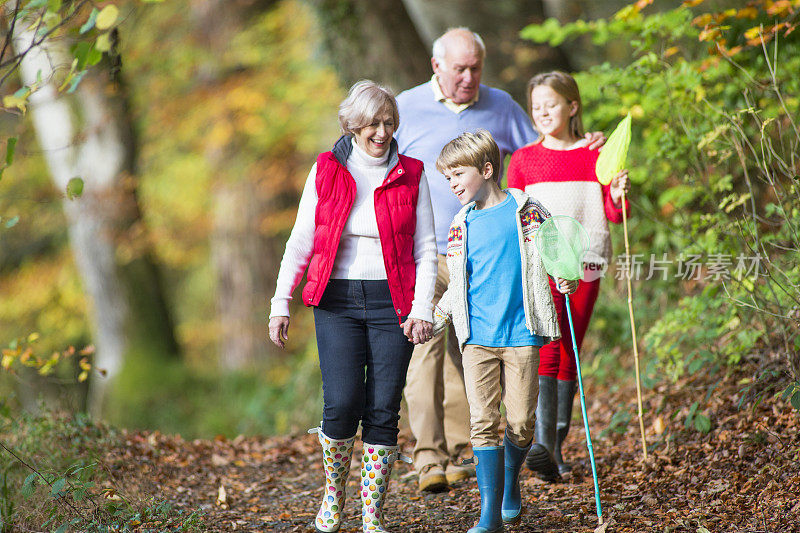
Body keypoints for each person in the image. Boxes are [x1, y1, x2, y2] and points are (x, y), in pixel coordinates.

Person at [394, 27, 606, 492]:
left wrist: (588, 142)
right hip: (429, 250)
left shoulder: (500, 105)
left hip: (491, 254)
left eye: (475, 68)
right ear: (437, 67)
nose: (469, 77)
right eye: (459, 69)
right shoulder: (406, 107)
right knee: (426, 347)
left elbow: (547, 148)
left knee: (467, 349)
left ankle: (464, 449)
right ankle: (429, 457)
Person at [268, 80, 438, 533]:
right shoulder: (327, 169)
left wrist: (423, 308)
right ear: (351, 125)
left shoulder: (411, 172)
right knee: (342, 404)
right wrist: (280, 301)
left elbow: (426, 248)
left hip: (393, 302)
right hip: (337, 300)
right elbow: (302, 238)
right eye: (372, 124)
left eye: (388, 122)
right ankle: (333, 492)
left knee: (383, 408)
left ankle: (371, 513)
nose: (381, 132)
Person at [431, 130, 577, 532]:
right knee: (482, 421)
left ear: (487, 169)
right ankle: (489, 514)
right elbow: (458, 284)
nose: (453, 185)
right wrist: (434, 319)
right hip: (476, 338)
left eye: (458, 174)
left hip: (522, 333)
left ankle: (511, 481)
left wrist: (566, 278)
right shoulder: (460, 225)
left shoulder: (528, 211)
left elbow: (558, 255)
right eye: (448, 178)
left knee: (520, 422)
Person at [507, 71, 631, 481]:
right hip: (540, 263)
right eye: (536, 106)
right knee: (548, 345)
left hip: (587, 261)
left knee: (571, 349)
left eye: (551, 104)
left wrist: (616, 194)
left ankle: (555, 450)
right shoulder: (523, 159)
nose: (542, 112)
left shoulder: (595, 153)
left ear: (572, 106)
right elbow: (513, 216)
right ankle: (542, 446)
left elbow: (617, 214)